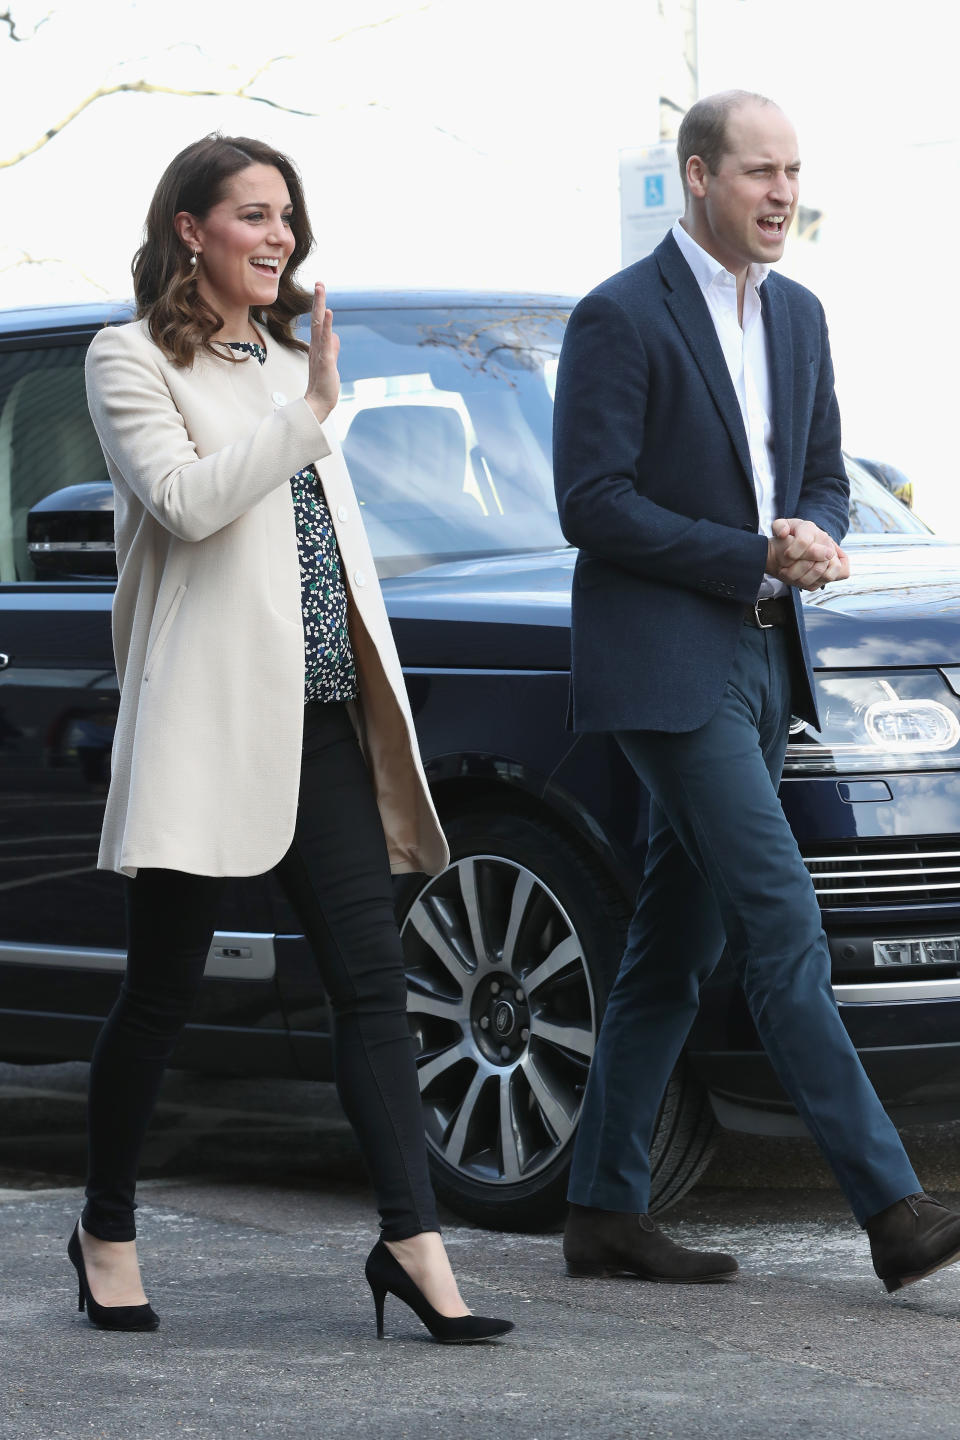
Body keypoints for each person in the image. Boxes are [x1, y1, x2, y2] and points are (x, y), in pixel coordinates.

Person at [70, 133, 512, 1345]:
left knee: (373, 989)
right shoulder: (128, 361)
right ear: (189, 232)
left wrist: (300, 394)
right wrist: (312, 411)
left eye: (288, 218)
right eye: (255, 216)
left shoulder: (280, 357)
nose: (280, 237)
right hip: (208, 727)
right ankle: (106, 1229)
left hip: (320, 720)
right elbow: (191, 501)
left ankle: (411, 1244)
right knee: (158, 996)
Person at [552, 91, 960, 1294]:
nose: (783, 195)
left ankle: (604, 1208)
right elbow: (593, 503)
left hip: (760, 660)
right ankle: (890, 1208)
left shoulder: (801, 317)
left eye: (794, 174)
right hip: (663, 669)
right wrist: (747, 553)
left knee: (675, 949)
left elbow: (827, 473)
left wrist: (814, 532)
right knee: (783, 921)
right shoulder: (620, 317)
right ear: (697, 175)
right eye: (760, 173)